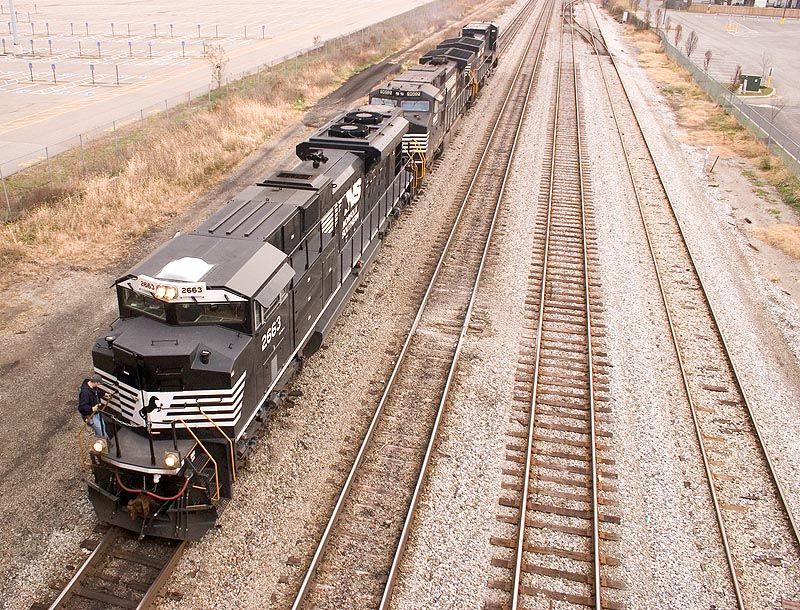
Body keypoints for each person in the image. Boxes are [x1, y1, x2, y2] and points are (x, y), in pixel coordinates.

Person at [78, 373, 111, 439]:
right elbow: (81, 407)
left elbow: (96, 392)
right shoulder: (85, 393)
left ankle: (104, 440)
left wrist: (104, 394)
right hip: (91, 415)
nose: (99, 385)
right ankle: (106, 443)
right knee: (100, 430)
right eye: (98, 383)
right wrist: (92, 408)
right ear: (95, 382)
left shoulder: (92, 387)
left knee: (102, 426)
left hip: (96, 412)